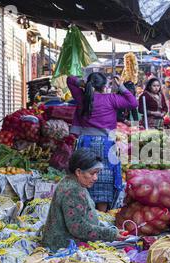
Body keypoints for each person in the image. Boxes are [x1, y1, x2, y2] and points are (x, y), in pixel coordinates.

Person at [67, 73, 138, 212]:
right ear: (105, 86)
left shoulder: (83, 97)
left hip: (85, 143)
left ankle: (85, 210)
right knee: (104, 178)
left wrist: (83, 83)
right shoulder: (111, 99)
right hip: (105, 144)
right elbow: (133, 103)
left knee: (84, 175)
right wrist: (121, 86)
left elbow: (70, 79)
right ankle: (102, 213)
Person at [42, 149, 128, 252]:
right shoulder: (73, 190)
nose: (96, 178)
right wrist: (110, 234)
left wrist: (112, 231)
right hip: (62, 246)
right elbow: (78, 228)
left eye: (97, 173)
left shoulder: (73, 182)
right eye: (92, 173)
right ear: (78, 172)